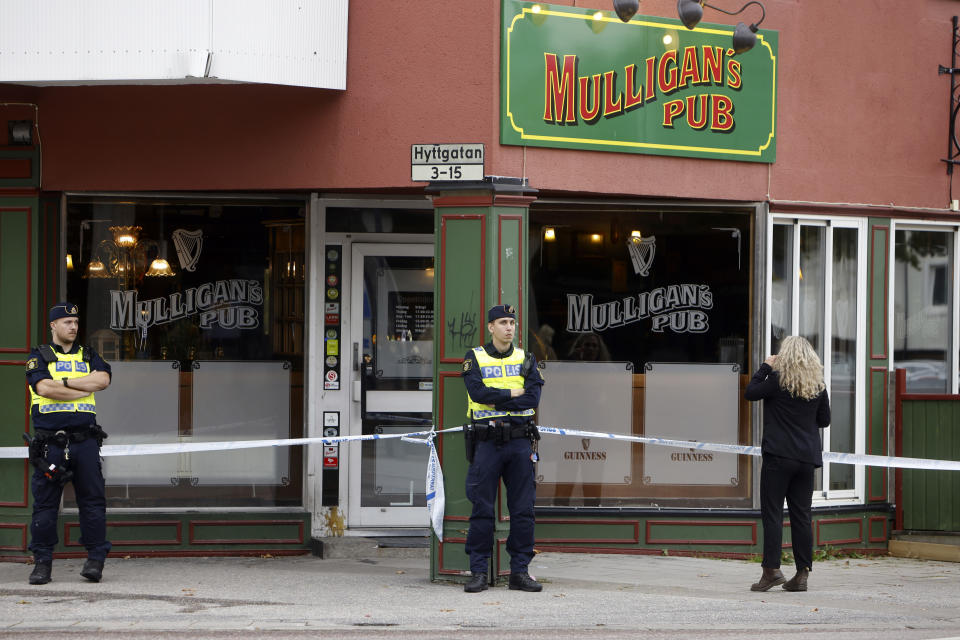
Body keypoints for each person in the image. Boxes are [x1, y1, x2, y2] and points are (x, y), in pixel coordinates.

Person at [24, 302, 112, 585]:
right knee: (46, 505)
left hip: (85, 442)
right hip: (51, 443)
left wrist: (63, 382)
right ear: (53, 325)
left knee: (93, 503)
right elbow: (44, 388)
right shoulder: (38, 356)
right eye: (66, 322)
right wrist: (79, 386)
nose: (73, 327)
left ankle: (95, 560)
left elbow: (102, 380)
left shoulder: (89, 354)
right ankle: (42, 564)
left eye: (75, 322)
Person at [461, 304, 545, 593]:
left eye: (512, 322)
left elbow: (532, 399)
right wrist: (512, 393)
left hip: (520, 442)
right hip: (487, 442)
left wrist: (497, 400)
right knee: (482, 508)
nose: (509, 327)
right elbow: (477, 393)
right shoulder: (475, 357)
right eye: (502, 322)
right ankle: (479, 572)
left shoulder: (527, 358)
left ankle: (519, 572)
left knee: (523, 510)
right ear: (490, 327)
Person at [744, 335, 830, 592]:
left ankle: (771, 570)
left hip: (779, 457)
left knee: (772, 514)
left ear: (786, 356)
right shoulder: (817, 385)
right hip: (806, 459)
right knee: (801, 516)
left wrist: (765, 367)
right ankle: (802, 573)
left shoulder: (775, 381)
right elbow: (824, 420)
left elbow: (750, 393)